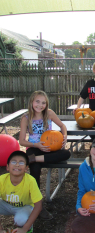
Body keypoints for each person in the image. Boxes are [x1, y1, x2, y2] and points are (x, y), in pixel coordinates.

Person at [19, 90, 71, 219]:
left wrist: (64, 136)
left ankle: (33, 159)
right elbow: (22, 141)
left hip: (49, 147)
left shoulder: (49, 113)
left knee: (66, 154)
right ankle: (38, 206)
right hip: (34, 148)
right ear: (31, 101)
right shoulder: (25, 118)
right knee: (35, 170)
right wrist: (36, 145)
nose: (40, 105)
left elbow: (62, 125)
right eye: (37, 101)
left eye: (43, 102)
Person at [0, 150, 42, 233]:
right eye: (13, 162)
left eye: (21, 162)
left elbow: (38, 206)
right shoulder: (1, 180)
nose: (17, 165)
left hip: (25, 206)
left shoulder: (30, 181)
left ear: (26, 168)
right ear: (7, 167)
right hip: (6, 205)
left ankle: (28, 228)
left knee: (20, 220)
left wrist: (24, 229)